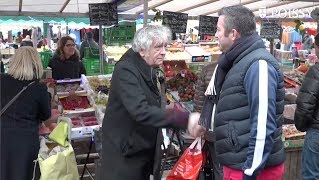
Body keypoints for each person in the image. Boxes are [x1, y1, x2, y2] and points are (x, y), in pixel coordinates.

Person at [101, 25, 205, 180]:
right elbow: (141, 110)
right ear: (142, 50)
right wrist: (184, 118)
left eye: (165, 46)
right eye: (158, 47)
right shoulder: (125, 70)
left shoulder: (150, 68)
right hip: (124, 155)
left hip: (140, 150)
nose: (164, 51)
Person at [200, 5, 285, 180]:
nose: (215, 35)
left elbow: (263, 126)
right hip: (236, 162)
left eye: (218, 30)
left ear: (233, 34)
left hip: (253, 170)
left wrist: (250, 171)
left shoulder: (259, 64)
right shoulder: (235, 61)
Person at [0, 46, 59, 180]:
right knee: (24, 174)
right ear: (36, 63)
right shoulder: (38, 88)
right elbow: (46, 117)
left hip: (2, 136)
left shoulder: (1, 80)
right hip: (25, 141)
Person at [294, 33, 319, 180]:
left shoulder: (317, 71)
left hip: (317, 133)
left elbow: (305, 105)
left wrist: (301, 125)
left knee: (312, 176)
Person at [194, 62, 223, 180]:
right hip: (232, 130)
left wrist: (200, 126)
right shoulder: (244, 67)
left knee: (218, 168)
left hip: (213, 129)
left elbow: (199, 103)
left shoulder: (208, 69)